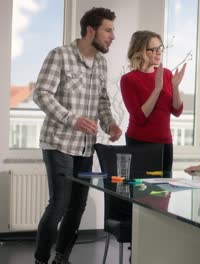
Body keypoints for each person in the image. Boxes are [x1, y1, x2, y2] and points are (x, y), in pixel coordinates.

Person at [33, 7, 122, 264]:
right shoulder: (60, 56)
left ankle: (62, 258)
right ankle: (40, 260)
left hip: (85, 147)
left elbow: (102, 101)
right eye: (108, 30)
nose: (112, 36)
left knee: (77, 207)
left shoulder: (101, 64)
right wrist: (73, 119)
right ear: (90, 30)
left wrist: (110, 124)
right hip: (59, 143)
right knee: (59, 205)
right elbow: (42, 94)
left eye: (113, 31)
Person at [120, 30, 186, 174]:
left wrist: (175, 87)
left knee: (164, 193)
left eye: (160, 48)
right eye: (153, 49)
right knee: (142, 193)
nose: (158, 53)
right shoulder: (129, 80)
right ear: (141, 50)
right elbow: (140, 117)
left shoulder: (166, 74)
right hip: (140, 143)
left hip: (165, 143)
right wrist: (157, 90)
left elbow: (177, 111)